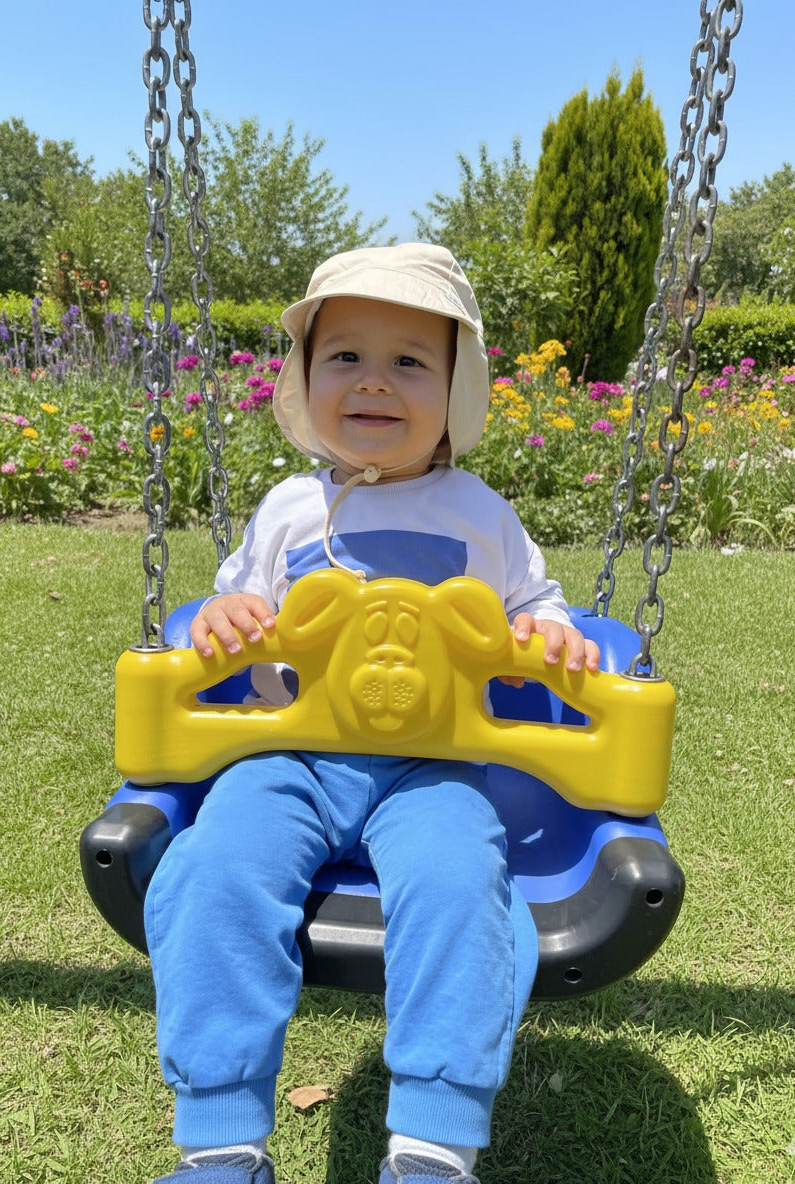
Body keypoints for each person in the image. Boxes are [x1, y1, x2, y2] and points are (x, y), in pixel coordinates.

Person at [145, 243, 600, 1184]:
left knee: (457, 883)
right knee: (219, 865)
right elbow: (234, 602)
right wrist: (231, 616)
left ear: (454, 393)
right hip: (291, 755)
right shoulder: (284, 510)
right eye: (344, 356)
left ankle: (434, 1144)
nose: (374, 383)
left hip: (434, 766)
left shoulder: (482, 513)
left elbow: (536, 604)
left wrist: (551, 635)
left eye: (409, 362)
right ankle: (222, 1140)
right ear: (305, 380)